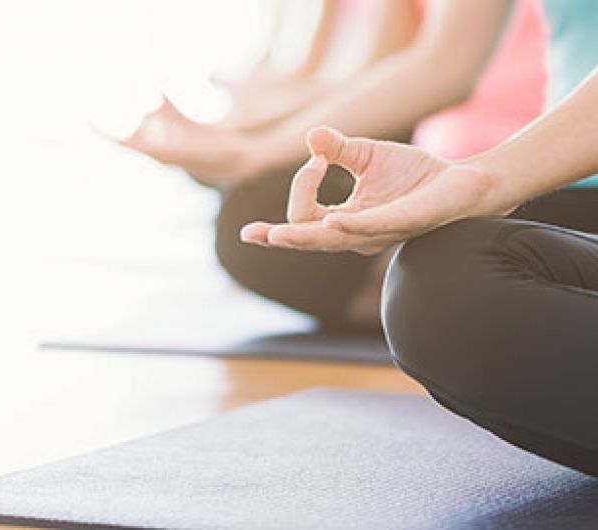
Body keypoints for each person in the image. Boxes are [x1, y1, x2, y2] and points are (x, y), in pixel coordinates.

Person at [240, 1, 598, 476]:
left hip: (545, 184)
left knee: (442, 290)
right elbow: (429, 58)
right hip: (554, 179)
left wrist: (251, 150)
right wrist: (477, 180)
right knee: (445, 285)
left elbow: (444, 69)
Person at [125, 0, 575, 333]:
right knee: (261, 217)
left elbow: (439, 72)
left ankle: (411, 285)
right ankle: (405, 286)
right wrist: (242, 140)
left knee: (440, 277)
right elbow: (344, 76)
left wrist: (250, 149)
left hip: (533, 165)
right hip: (456, 159)